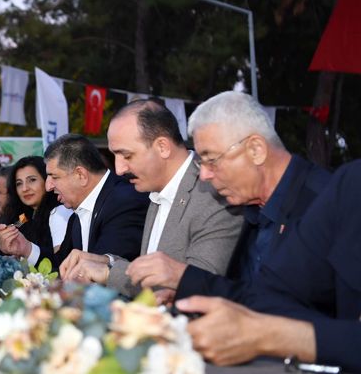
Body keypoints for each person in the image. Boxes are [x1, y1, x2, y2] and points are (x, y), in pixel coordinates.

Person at [126, 91, 330, 303]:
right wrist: (194, 293)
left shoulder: (324, 205)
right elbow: (251, 294)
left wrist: (185, 277)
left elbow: (299, 311)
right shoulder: (251, 208)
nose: (204, 175)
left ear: (256, 150)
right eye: (200, 163)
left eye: (211, 160)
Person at [177, 159, 361, 372]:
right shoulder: (351, 185)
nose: (204, 175)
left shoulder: (315, 190)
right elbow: (274, 293)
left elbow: (268, 327)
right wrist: (187, 282)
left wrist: (276, 336)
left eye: (212, 159)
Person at [60, 99, 243, 301]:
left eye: (127, 156)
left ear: (162, 147)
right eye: (115, 156)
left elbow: (196, 288)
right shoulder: (156, 190)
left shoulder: (213, 194)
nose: (119, 169)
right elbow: (154, 273)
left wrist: (109, 274)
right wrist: (106, 263)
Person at [0, 134, 148, 269]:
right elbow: (62, 267)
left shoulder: (124, 203)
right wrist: (25, 248)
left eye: (54, 177)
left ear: (81, 175)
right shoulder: (77, 212)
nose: (48, 186)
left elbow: (107, 272)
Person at [0, 156, 71, 259]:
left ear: (47, 181)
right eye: (19, 183)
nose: (25, 188)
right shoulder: (23, 216)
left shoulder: (60, 213)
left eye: (32, 180)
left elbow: (61, 262)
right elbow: (17, 225)